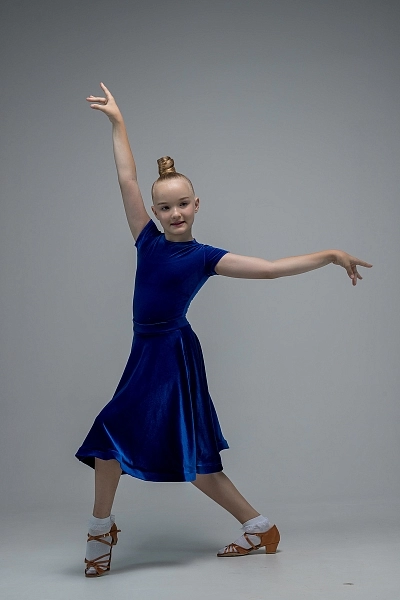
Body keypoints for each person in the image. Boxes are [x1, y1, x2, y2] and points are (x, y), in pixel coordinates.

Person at [75, 83, 372, 577]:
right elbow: (126, 176)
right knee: (192, 458)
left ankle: (99, 530)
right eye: (165, 207)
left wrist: (329, 255)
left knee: (111, 434)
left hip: (172, 355)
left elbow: (271, 269)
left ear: (197, 204)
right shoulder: (146, 240)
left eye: (182, 204)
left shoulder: (204, 257)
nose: (174, 213)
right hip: (145, 354)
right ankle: (260, 527)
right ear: (155, 212)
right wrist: (118, 122)